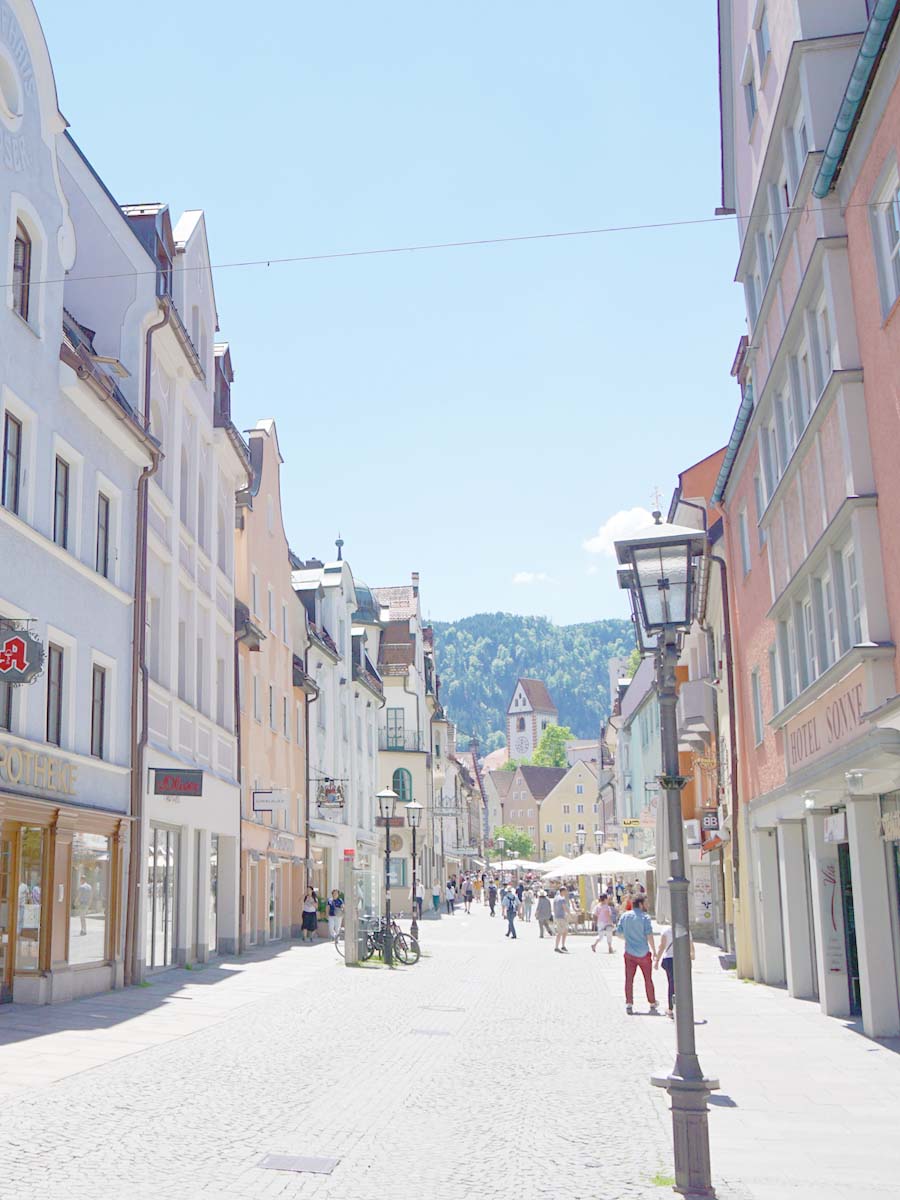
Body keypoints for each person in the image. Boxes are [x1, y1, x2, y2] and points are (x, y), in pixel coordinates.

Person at [617, 896, 658, 1014]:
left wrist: (628, 939)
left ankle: (629, 1003)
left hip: (629, 952)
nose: (648, 905)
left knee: (629, 979)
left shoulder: (625, 916)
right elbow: (649, 935)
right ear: (640, 904)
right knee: (648, 979)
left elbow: (619, 933)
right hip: (643, 952)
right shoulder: (645, 917)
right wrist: (654, 950)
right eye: (646, 903)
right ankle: (652, 1001)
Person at [654, 923, 694, 1018]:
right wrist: (692, 955)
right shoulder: (685, 930)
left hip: (669, 959)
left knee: (672, 983)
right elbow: (690, 945)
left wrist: (657, 960)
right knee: (684, 984)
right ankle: (684, 1007)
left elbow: (662, 946)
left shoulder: (666, 931)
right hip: (683, 958)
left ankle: (671, 1008)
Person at [553, 887, 570, 953]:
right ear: (562, 891)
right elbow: (564, 908)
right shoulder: (562, 899)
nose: (566, 892)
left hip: (557, 917)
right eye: (565, 891)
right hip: (561, 917)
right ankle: (556, 947)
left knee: (565, 931)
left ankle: (563, 945)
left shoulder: (555, 898)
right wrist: (570, 914)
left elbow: (553, 908)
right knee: (560, 932)